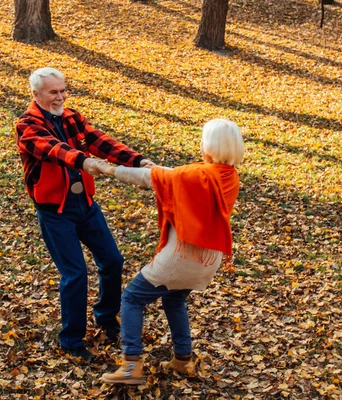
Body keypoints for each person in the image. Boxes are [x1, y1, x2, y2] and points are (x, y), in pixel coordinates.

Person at [14, 67, 154, 363]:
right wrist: (87, 162)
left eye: (63, 90)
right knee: (75, 274)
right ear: (36, 94)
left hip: (85, 205)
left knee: (112, 260)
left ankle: (105, 317)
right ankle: (72, 339)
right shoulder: (27, 125)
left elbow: (98, 140)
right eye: (53, 92)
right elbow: (54, 150)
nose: (60, 96)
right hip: (55, 211)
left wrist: (138, 160)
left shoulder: (71, 117)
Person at [98, 119, 245, 384]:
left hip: (182, 256)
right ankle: (183, 361)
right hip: (207, 258)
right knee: (174, 300)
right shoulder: (228, 175)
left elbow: (152, 178)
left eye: (203, 139)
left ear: (210, 145)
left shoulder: (199, 176)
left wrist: (107, 169)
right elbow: (176, 175)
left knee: (132, 298)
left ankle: (131, 368)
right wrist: (158, 170)